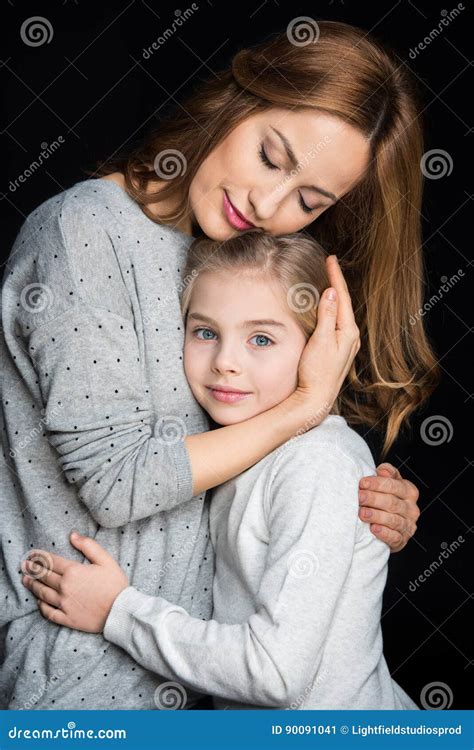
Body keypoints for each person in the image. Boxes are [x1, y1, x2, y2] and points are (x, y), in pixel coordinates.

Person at [1, 20, 431, 710]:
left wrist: (356, 514)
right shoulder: (83, 232)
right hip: (85, 674)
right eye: (270, 155)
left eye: (309, 201)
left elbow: (254, 465)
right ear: (240, 96)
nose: (269, 205)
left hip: (210, 684)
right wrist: (302, 412)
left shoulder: (228, 263)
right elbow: (116, 484)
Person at [22, 231, 420, 709]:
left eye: (261, 338)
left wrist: (118, 611)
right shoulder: (238, 452)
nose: (226, 362)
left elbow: (275, 672)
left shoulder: (316, 461)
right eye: (205, 332)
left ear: (320, 346)